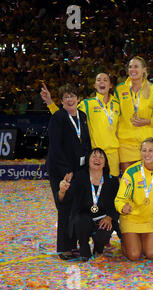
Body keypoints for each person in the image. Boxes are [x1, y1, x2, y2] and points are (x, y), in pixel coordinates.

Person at [41, 72, 121, 177]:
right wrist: (50, 103)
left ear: (110, 85)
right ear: (95, 85)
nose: (102, 82)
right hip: (95, 154)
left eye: (105, 80)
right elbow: (65, 116)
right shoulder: (87, 104)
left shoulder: (117, 104)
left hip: (113, 154)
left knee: (112, 187)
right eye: (98, 80)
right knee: (95, 188)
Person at [46, 83, 91, 260]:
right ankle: (65, 248)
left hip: (78, 169)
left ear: (78, 99)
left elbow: (86, 142)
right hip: (60, 169)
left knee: (76, 206)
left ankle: (74, 245)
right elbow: (55, 147)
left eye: (72, 96)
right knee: (64, 207)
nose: (70, 99)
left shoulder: (83, 116)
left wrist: (86, 165)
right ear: (62, 100)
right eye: (66, 97)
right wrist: (66, 170)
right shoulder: (58, 118)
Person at [58, 148, 120, 261]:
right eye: (94, 156)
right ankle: (84, 248)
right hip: (84, 217)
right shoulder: (80, 177)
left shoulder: (112, 181)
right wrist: (62, 191)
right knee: (81, 220)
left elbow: (118, 204)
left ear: (105, 163)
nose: (97, 159)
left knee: (103, 233)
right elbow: (65, 200)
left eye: (101, 157)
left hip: (103, 218)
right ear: (88, 160)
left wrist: (110, 217)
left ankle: (99, 247)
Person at [114, 138, 153, 261]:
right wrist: (123, 207)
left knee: (151, 254)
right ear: (140, 153)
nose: (147, 154)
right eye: (144, 150)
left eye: (150, 150)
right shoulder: (131, 172)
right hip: (132, 219)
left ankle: (138, 240)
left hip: (151, 220)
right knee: (134, 255)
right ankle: (126, 241)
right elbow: (119, 199)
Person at [114, 56, 153, 173]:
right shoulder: (120, 89)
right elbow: (115, 116)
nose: (132, 69)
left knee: (148, 184)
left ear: (144, 70)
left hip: (147, 144)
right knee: (129, 182)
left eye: (136, 66)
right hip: (125, 144)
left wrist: (148, 121)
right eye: (130, 67)